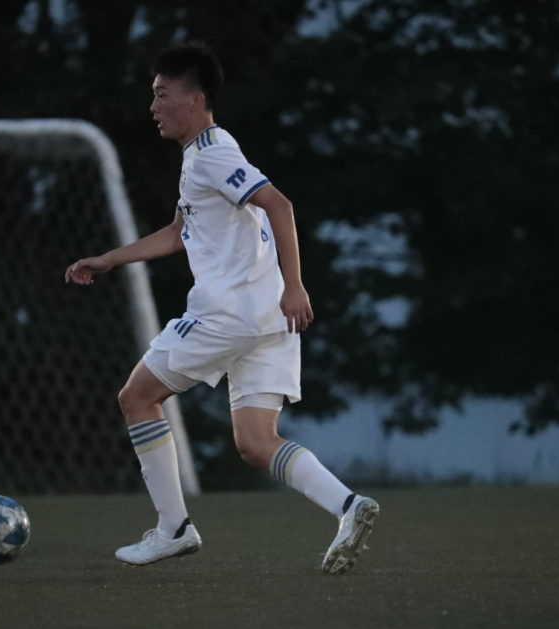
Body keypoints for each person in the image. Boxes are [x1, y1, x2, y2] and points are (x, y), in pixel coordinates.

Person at [65, 41, 379, 574]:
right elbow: (178, 232)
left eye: (162, 94)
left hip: (229, 314)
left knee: (137, 397)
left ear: (195, 99)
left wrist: (297, 285)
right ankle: (348, 506)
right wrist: (110, 259)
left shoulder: (211, 154)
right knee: (256, 443)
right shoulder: (207, 152)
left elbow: (279, 204)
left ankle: (173, 529)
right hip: (268, 319)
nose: (153, 106)